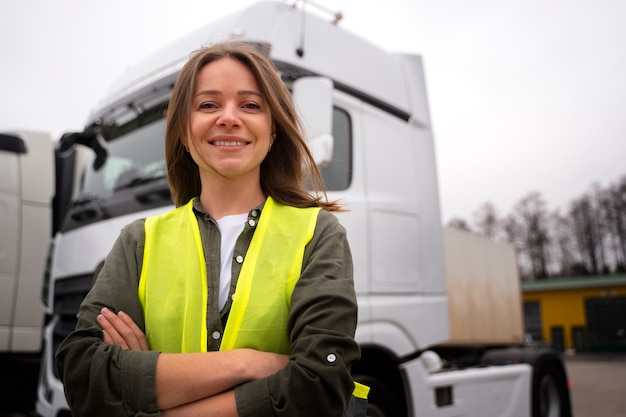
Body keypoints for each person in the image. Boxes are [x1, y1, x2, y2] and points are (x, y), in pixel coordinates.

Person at [56, 41, 366, 417]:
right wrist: (247, 363)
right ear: (185, 132)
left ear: (273, 131)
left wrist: (151, 389)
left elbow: (320, 383)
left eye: (250, 105)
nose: (229, 117)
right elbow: (82, 374)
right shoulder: (139, 241)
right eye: (208, 105)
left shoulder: (317, 233)